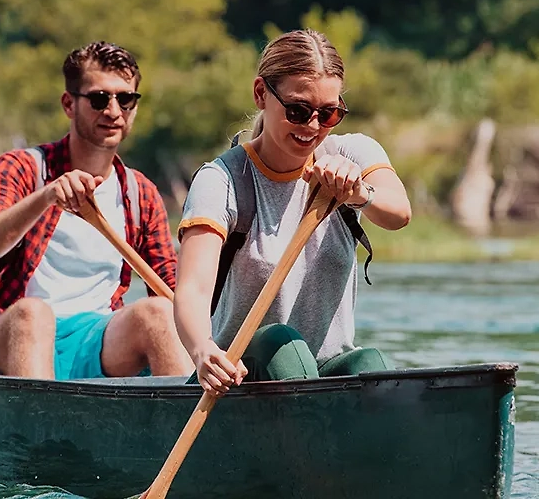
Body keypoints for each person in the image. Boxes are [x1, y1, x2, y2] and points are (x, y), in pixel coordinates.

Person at [173, 29, 412, 396]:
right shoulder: (221, 180)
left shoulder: (352, 153)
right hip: (236, 377)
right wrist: (202, 349)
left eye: (328, 113)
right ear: (261, 94)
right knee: (282, 344)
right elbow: (192, 289)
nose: (313, 127)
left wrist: (359, 193)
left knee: (369, 365)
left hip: (320, 373)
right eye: (298, 111)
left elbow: (398, 214)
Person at [0, 41, 194, 381]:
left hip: (95, 338)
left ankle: (189, 427)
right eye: (98, 99)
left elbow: (172, 290)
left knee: (159, 313)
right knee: (34, 316)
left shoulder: (140, 194)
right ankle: (41, 431)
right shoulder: (22, 167)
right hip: (9, 334)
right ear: (69, 104)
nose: (113, 111)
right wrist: (45, 197)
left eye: (125, 99)